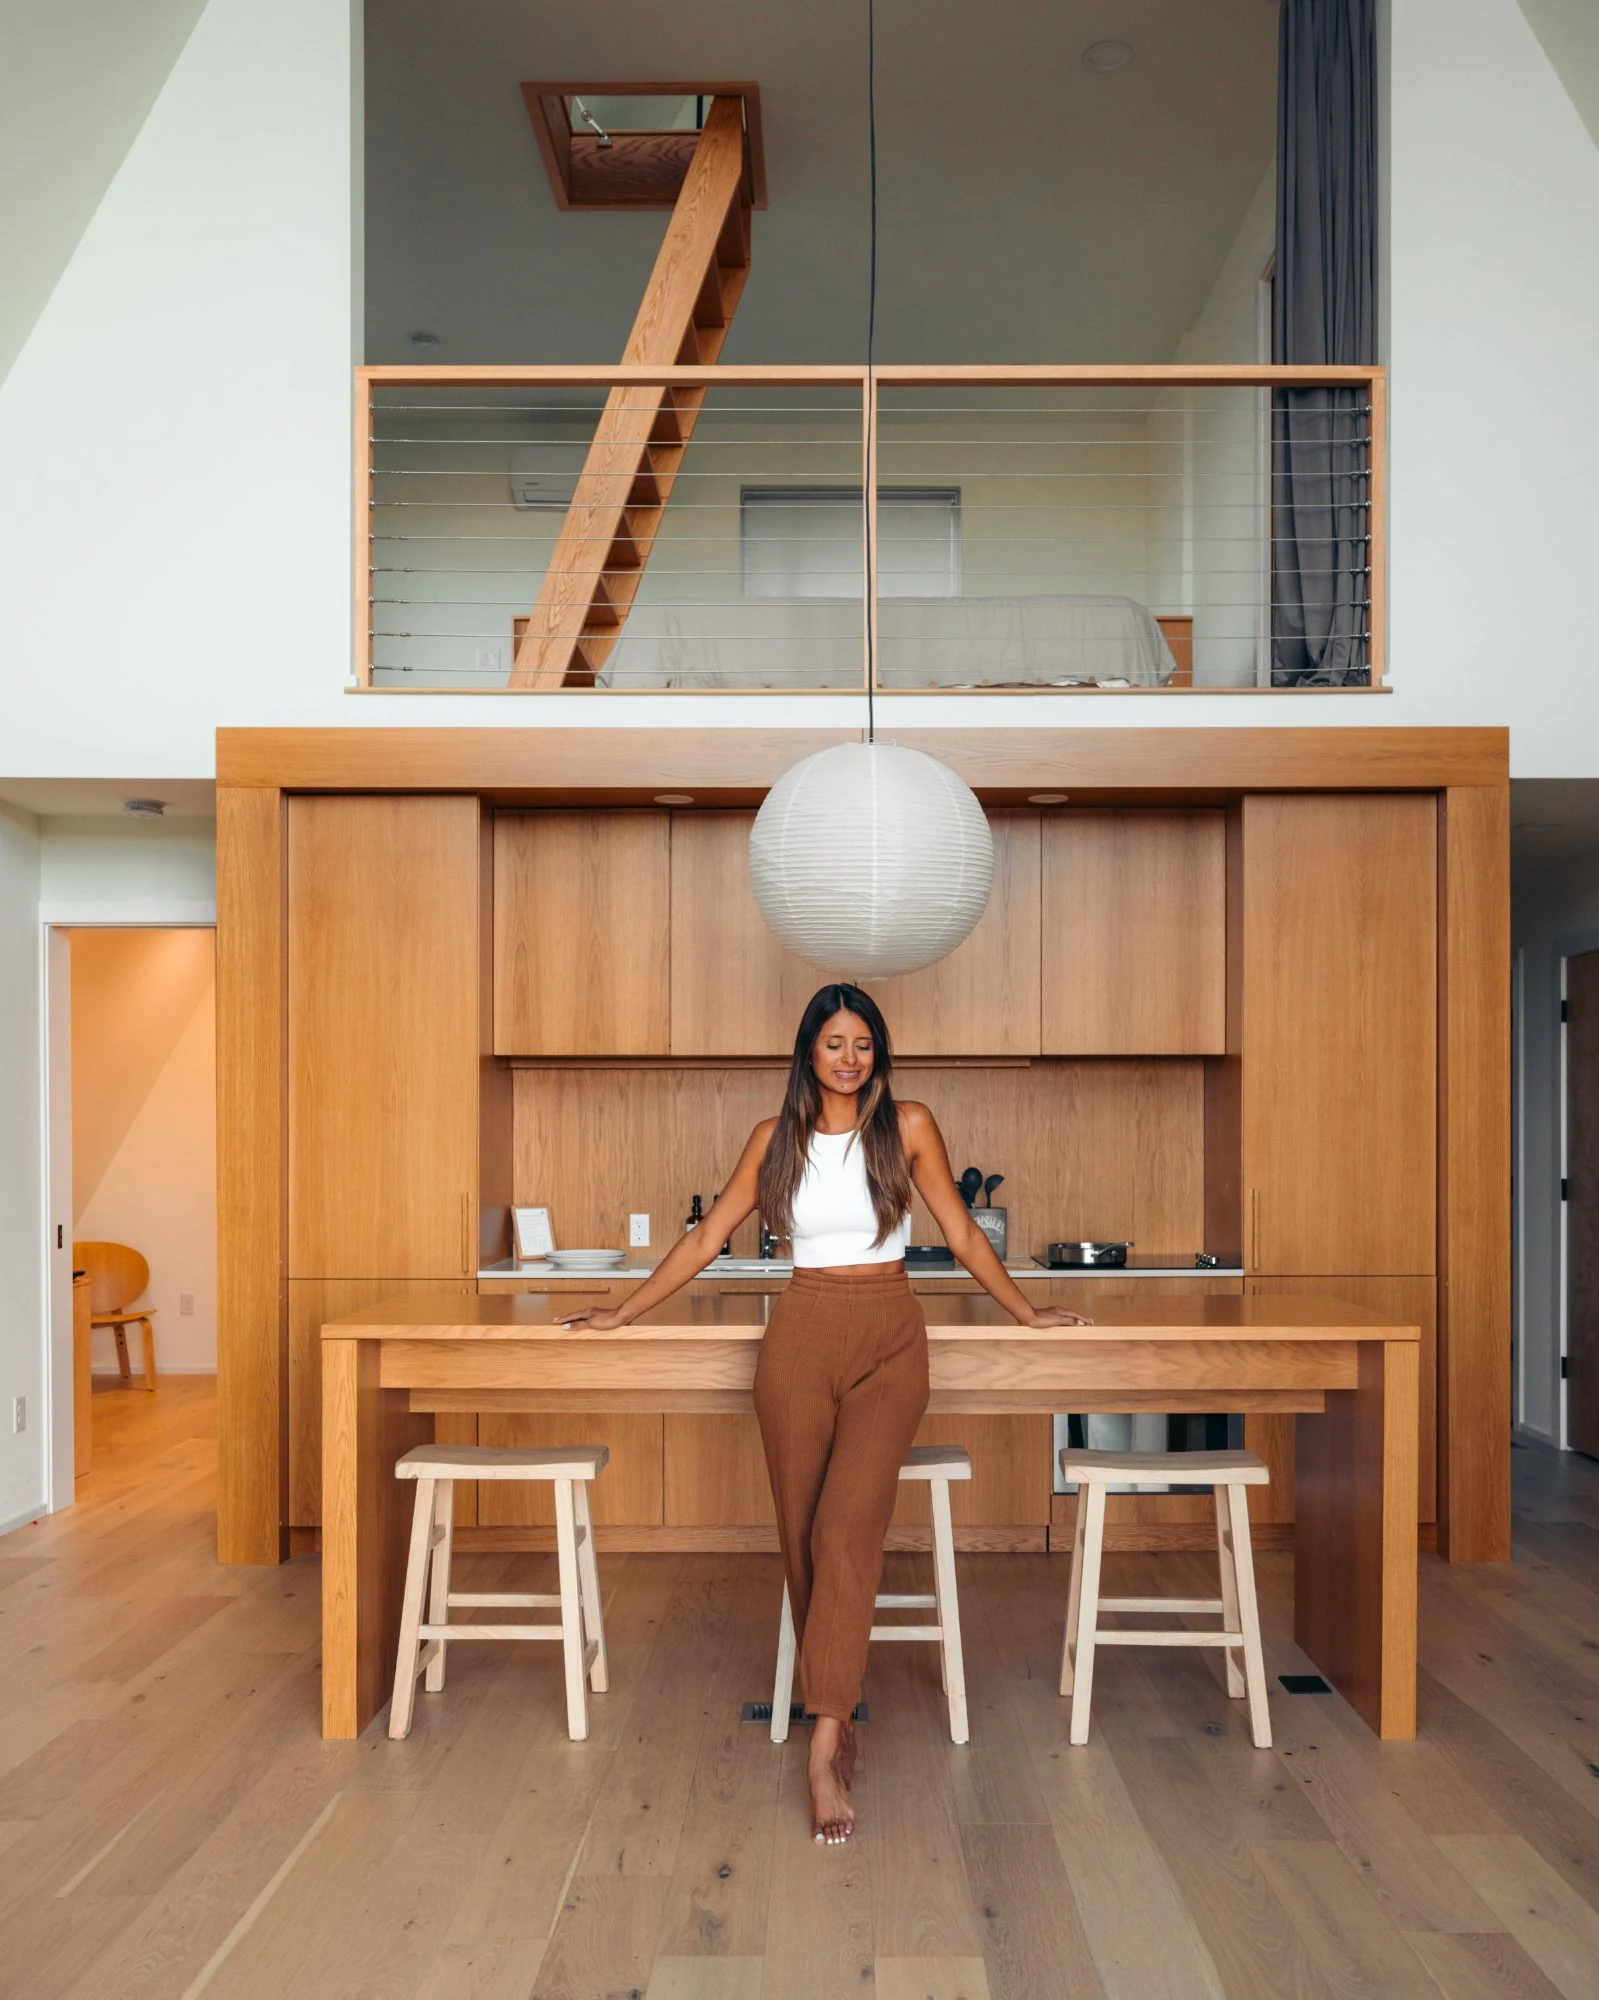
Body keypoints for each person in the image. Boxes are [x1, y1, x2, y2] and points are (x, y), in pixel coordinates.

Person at [557, 983, 1092, 1845]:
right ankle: (836, 1716)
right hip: (799, 1333)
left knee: (847, 1530)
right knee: (803, 1534)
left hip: (888, 1335)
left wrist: (1025, 1312)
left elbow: (958, 1232)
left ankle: (825, 1735)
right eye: (834, 1043)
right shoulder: (775, 1141)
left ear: (878, 1052)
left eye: (863, 1044)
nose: (849, 1057)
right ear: (808, 1050)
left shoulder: (908, 1125)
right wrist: (622, 1312)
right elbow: (704, 1239)